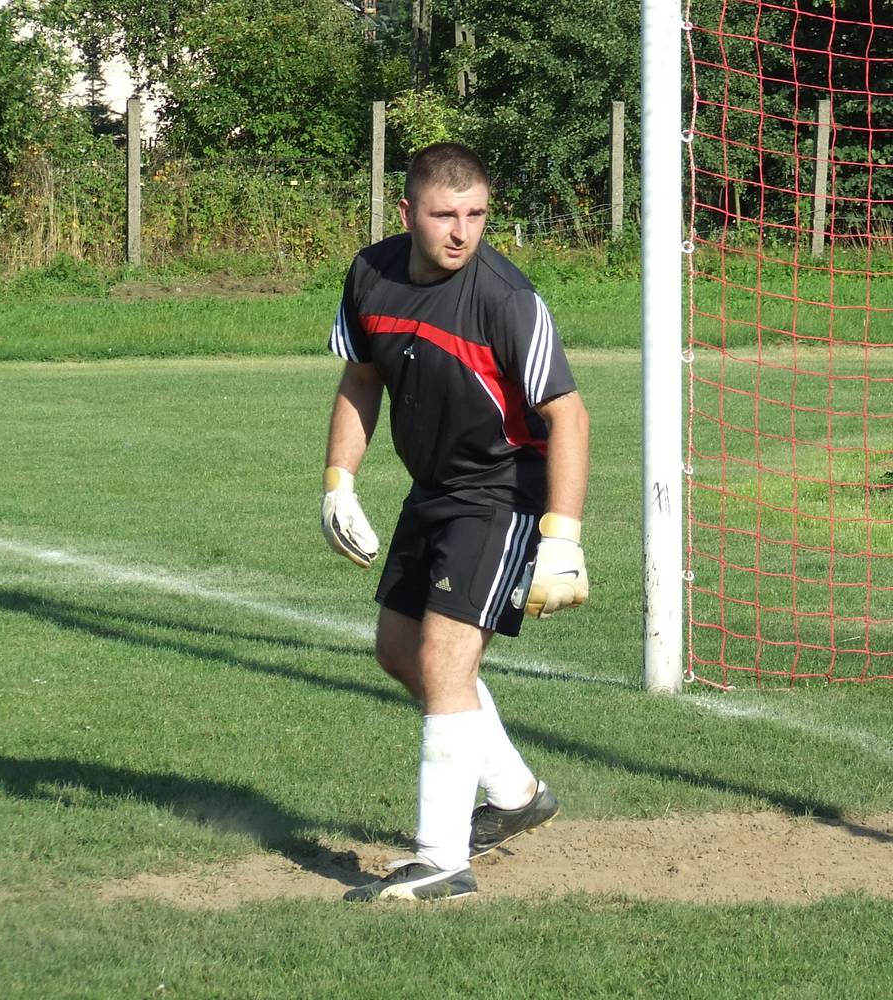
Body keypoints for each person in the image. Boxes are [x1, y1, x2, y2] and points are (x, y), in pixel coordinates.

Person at [319, 142, 590, 902]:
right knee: (399, 652)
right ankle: (515, 794)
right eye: (445, 215)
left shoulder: (506, 298)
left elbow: (568, 416)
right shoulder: (370, 274)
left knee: (444, 661)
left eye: (475, 215)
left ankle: (441, 860)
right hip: (433, 488)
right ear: (407, 212)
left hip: (503, 491)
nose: (462, 232)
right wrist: (339, 482)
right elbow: (361, 376)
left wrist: (562, 538)